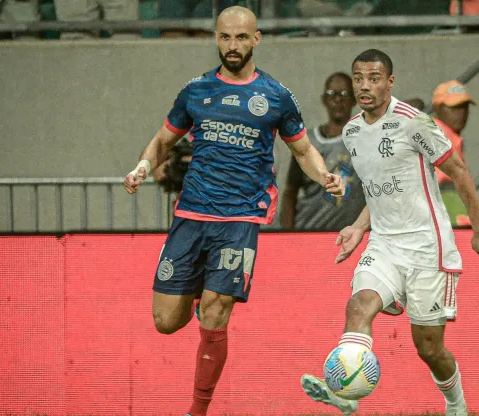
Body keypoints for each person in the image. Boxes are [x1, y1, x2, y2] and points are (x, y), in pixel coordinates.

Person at [123, 6, 345, 416]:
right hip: (191, 215)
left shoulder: (276, 96)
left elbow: (303, 149)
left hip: (240, 219)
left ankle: (198, 410)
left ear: (256, 39)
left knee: (216, 311)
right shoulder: (195, 91)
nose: (233, 45)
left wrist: (324, 176)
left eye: (241, 38)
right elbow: (162, 140)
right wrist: (142, 165)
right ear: (216, 38)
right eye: (225, 37)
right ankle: (196, 293)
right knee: (165, 321)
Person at [300, 49, 479, 416]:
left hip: (427, 247)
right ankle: (347, 393)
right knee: (358, 306)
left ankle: (456, 405)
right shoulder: (353, 131)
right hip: (385, 244)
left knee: (429, 348)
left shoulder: (415, 122)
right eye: (359, 78)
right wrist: (359, 228)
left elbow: (458, 171)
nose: (364, 86)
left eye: (374, 78)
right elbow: (378, 188)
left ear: (390, 82)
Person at [280, 71, 366, 231]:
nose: (338, 99)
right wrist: (287, 233)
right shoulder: (308, 142)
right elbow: (290, 192)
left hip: (348, 235)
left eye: (345, 94)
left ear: (354, 100)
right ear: (324, 100)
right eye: (332, 94)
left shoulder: (365, 139)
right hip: (309, 230)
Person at [432, 80, 476, 226]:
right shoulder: (438, 135)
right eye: (454, 107)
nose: (461, 113)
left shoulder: (451, 137)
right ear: (437, 108)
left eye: (464, 106)